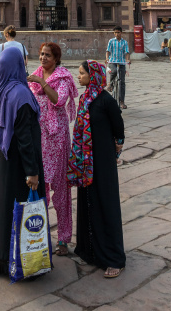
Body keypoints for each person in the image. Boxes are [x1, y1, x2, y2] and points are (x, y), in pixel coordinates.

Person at [0, 46, 44, 277]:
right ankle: (19, 260)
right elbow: (25, 140)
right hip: (18, 164)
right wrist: (32, 172)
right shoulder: (22, 95)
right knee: (18, 209)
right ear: (20, 65)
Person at [68, 60, 125, 279]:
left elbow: (118, 128)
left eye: (82, 73)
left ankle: (113, 259)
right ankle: (88, 250)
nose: (79, 76)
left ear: (93, 76)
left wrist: (117, 148)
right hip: (85, 162)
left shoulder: (105, 100)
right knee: (87, 202)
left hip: (102, 161)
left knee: (105, 204)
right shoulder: (84, 99)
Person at [27, 43, 77, 257]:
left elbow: (60, 100)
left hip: (56, 138)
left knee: (61, 189)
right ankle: (39, 235)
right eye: (41, 54)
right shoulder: (35, 74)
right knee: (40, 189)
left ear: (56, 58)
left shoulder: (63, 78)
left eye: (47, 55)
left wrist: (42, 83)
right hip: (39, 136)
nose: (42, 57)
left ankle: (64, 238)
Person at [105, 26, 130, 109]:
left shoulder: (124, 42)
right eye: (115, 32)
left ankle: (122, 102)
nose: (116, 34)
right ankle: (110, 84)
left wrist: (128, 59)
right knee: (114, 71)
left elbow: (127, 52)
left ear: (121, 33)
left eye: (118, 32)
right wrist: (107, 58)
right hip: (112, 62)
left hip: (122, 63)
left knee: (122, 83)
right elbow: (108, 51)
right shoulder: (111, 41)